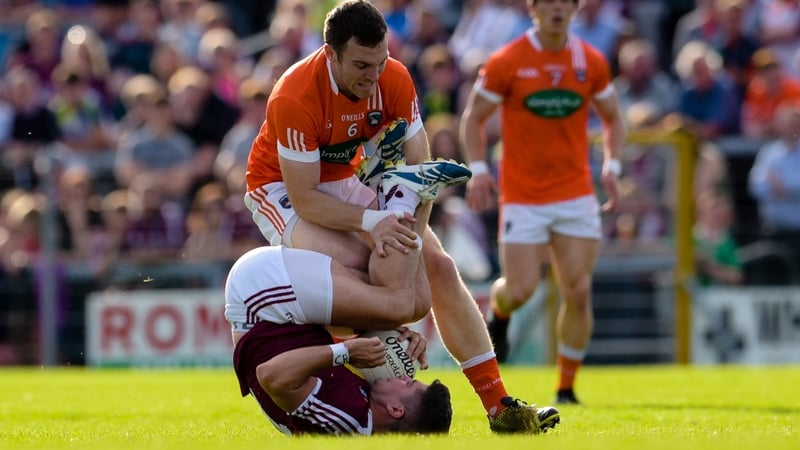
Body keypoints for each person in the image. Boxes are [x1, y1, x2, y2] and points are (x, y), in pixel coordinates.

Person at [244, 0, 558, 434]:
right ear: (329, 53)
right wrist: (376, 227)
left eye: (379, 62)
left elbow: (420, 171)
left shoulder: (392, 76)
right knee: (359, 266)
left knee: (440, 268)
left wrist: (408, 239)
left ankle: (500, 406)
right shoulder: (295, 94)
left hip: (350, 179)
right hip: (283, 191)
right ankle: (369, 354)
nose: (372, 76)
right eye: (360, 65)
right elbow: (307, 200)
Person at [459, 0, 626, 405]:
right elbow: (472, 118)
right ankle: (499, 313)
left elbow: (614, 118)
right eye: (547, 2)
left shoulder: (590, 60)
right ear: (533, 9)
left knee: (579, 290)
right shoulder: (508, 59)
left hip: (575, 193)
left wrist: (613, 165)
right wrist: (479, 168)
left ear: (574, 8)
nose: (556, 9)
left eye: (564, 2)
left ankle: (566, 388)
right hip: (523, 196)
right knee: (520, 289)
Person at [224, 243, 452, 435]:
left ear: (395, 409)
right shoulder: (363, 414)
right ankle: (404, 217)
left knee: (405, 304)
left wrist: (347, 351)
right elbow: (318, 356)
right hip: (284, 310)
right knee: (406, 305)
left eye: (409, 383)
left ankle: (408, 206)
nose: (404, 376)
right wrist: (391, 334)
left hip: (261, 298)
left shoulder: (346, 418)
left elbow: (269, 374)